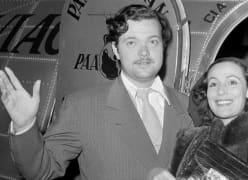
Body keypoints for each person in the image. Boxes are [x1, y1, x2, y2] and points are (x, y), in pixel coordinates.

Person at [0, 4, 193, 180]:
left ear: (163, 46)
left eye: (152, 42)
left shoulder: (189, 107)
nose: (144, 53)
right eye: (132, 43)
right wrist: (24, 126)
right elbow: (42, 171)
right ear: (116, 50)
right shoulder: (82, 107)